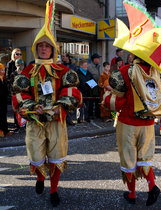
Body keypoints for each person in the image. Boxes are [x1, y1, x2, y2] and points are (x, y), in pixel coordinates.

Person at [103, 1, 161, 206]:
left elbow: (116, 104)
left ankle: (131, 195)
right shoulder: (156, 72)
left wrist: (107, 98)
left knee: (129, 160)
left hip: (128, 123)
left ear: (133, 52)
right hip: (148, 123)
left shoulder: (124, 71)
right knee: (145, 159)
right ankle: (152, 186)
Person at [11, 1, 82, 206]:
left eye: (47, 46)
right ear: (36, 48)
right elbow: (19, 95)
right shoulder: (27, 71)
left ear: (52, 49)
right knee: (36, 155)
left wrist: (61, 104)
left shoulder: (62, 70)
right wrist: (32, 106)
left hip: (57, 121)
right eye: (40, 46)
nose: (43, 49)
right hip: (35, 122)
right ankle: (40, 178)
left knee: (56, 156)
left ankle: (53, 189)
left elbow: (71, 91)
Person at [61, 53, 78, 125]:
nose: (62, 58)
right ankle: (65, 119)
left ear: (67, 57)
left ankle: (69, 118)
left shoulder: (73, 65)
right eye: (62, 56)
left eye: (63, 56)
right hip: (64, 86)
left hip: (71, 86)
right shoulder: (62, 65)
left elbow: (75, 74)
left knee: (71, 102)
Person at [10, 59, 25, 132]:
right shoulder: (13, 74)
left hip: (23, 94)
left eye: (22, 65)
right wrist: (13, 95)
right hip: (16, 94)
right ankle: (17, 125)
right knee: (16, 109)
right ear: (16, 66)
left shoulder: (25, 73)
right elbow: (11, 85)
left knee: (24, 109)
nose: (21, 67)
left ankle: (24, 125)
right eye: (19, 65)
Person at [87, 53, 101, 119]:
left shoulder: (100, 66)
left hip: (99, 88)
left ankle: (98, 114)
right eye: (98, 58)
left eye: (99, 58)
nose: (99, 59)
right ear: (94, 59)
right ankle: (90, 115)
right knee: (91, 103)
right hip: (92, 88)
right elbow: (88, 77)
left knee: (98, 102)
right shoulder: (89, 67)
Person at [0, 63, 12, 137]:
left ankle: (5, 129)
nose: (3, 71)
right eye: (1, 70)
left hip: (4, 99)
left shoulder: (3, 79)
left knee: (4, 114)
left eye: (4, 70)